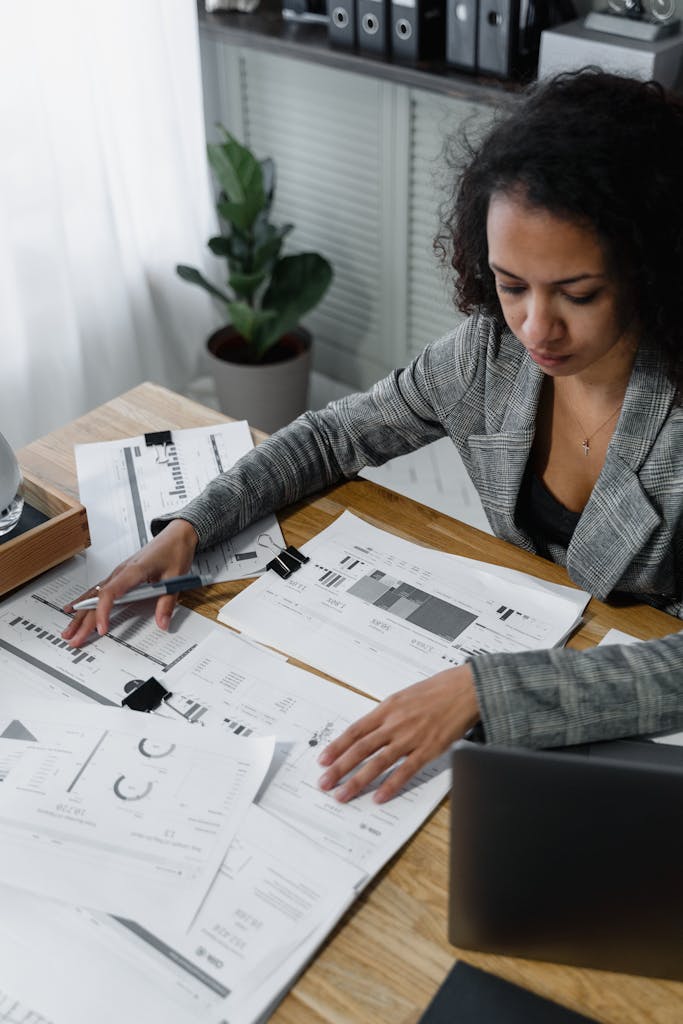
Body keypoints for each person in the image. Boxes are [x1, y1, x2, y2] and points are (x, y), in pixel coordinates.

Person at [63, 69, 683, 804]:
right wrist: (196, 522)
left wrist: (488, 690)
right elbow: (334, 435)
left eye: (577, 294)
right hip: (515, 638)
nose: (534, 328)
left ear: (652, 267)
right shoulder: (489, 354)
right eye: (511, 284)